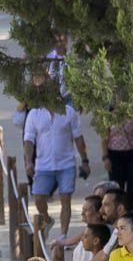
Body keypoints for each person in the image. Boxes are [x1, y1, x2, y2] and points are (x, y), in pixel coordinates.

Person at [23, 102, 89, 238]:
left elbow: (78, 137)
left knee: (66, 199)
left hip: (66, 164)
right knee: (38, 197)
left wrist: (85, 160)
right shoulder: (34, 114)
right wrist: (28, 162)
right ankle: (47, 220)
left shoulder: (69, 112)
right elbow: (28, 140)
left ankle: (63, 235)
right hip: (43, 165)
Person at [101, 119, 133, 208]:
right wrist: (105, 158)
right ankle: (119, 219)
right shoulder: (109, 111)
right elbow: (104, 137)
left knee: (132, 192)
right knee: (117, 192)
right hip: (115, 156)